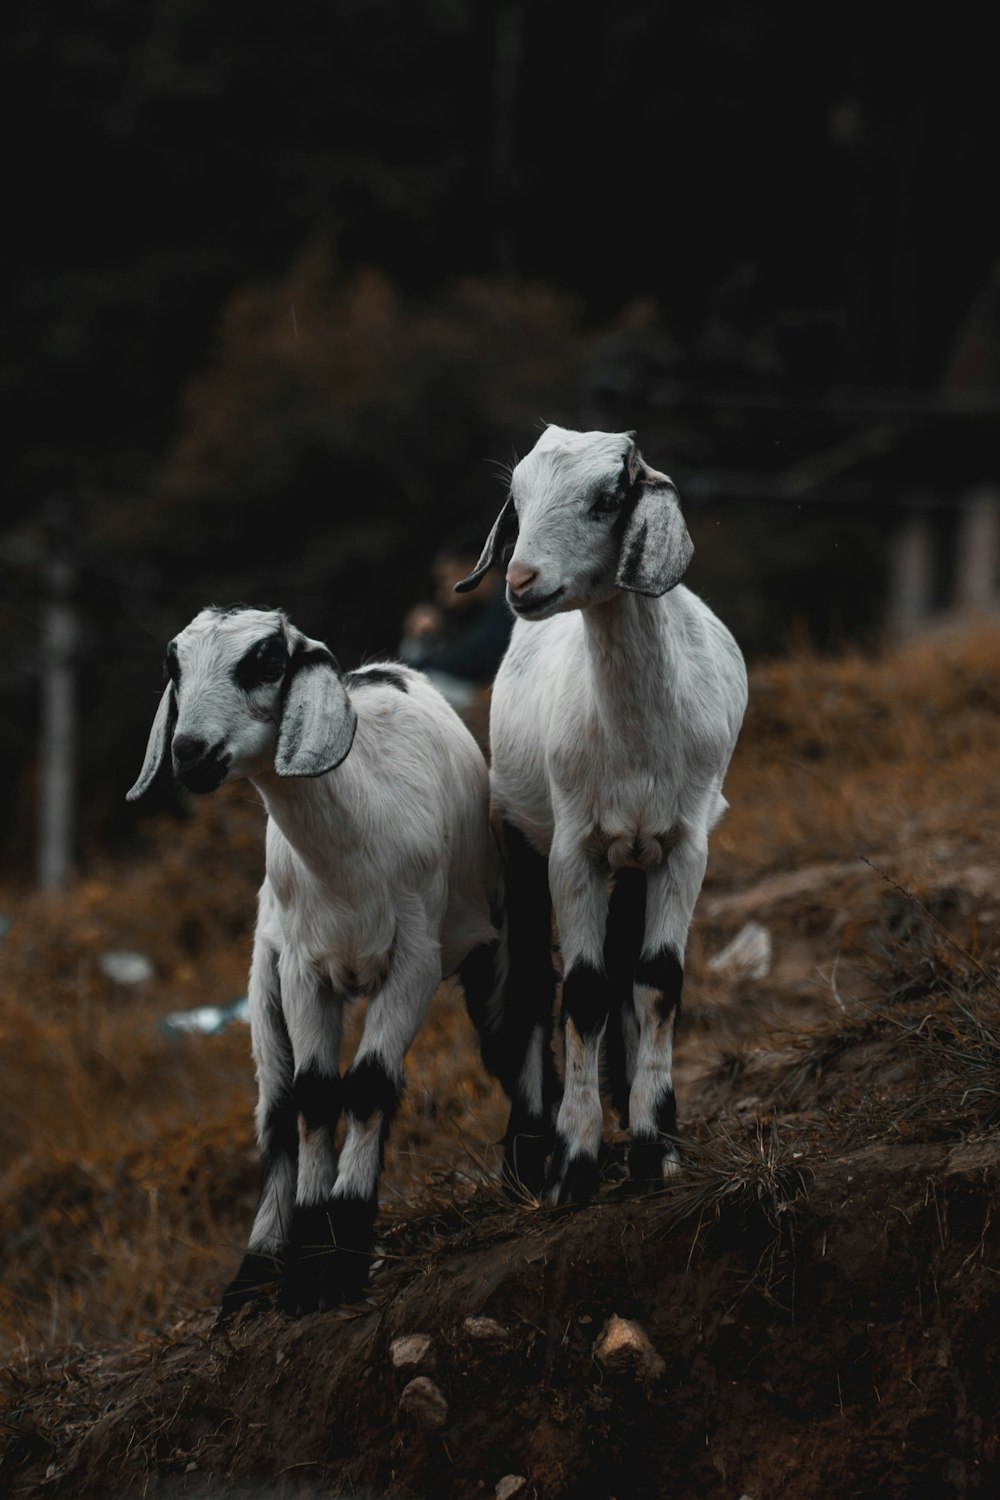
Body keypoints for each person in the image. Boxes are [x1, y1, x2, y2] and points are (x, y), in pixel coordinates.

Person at [399, 530, 513, 718]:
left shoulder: (504, 607)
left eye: (446, 578)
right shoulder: (477, 610)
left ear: (471, 570)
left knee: (421, 687)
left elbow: (455, 666)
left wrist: (416, 642)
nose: (441, 591)